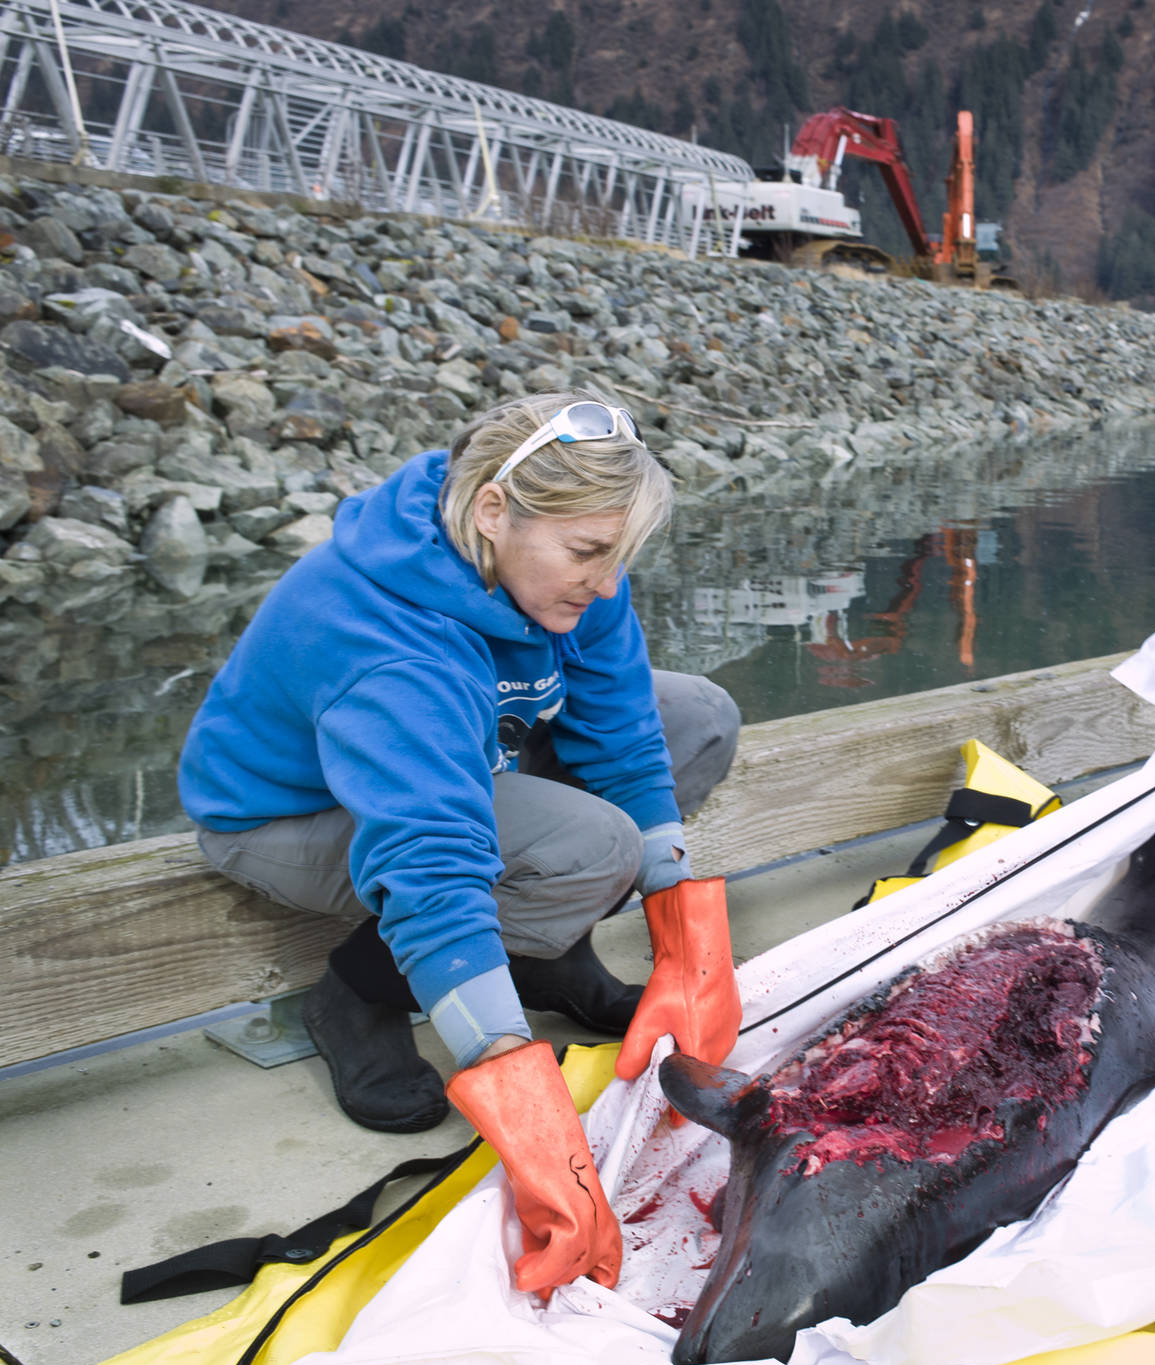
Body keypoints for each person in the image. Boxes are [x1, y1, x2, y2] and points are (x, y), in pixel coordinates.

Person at [178, 392, 745, 1293]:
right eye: (590, 556)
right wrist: (529, 1117)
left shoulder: (564, 558)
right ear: (492, 510)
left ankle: (545, 950)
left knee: (697, 719)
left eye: (619, 558)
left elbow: (627, 734)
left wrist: (684, 939)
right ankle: (355, 996)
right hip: (290, 815)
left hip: (462, 755)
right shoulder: (384, 634)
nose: (605, 584)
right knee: (590, 848)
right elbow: (430, 862)